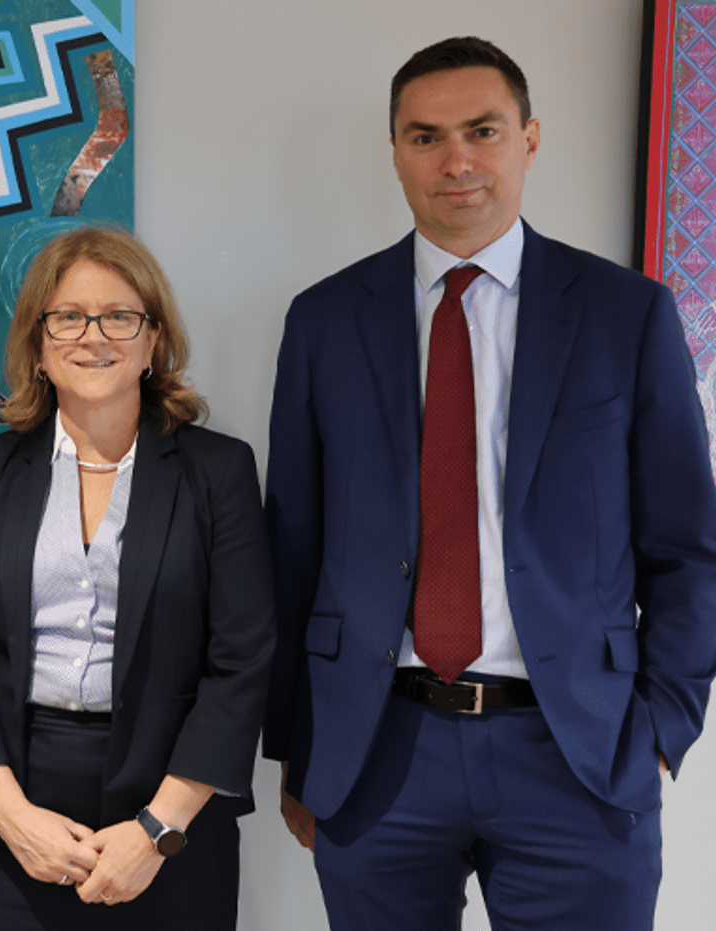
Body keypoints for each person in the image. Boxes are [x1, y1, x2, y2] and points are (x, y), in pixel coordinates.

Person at [263, 36, 716, 931]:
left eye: (482, 129)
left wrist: (661, 731)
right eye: (425, 136)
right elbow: (293, 549)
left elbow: (688, 548)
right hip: (378, 747)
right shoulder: (323, 321)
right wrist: (299, 747)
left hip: (578, 750)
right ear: (394, 151)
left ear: (530, 139)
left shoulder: (626, 315)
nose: (456, 159)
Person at [0, 226, 276, 930]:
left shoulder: (218, 472)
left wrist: (157, 831)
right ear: (39, 344)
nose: (94, 336)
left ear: (152, 341)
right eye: (69, 317)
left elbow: (241, 663)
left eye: (120, 316)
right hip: (5, 805)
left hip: (171, 805)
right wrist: (11, 815)